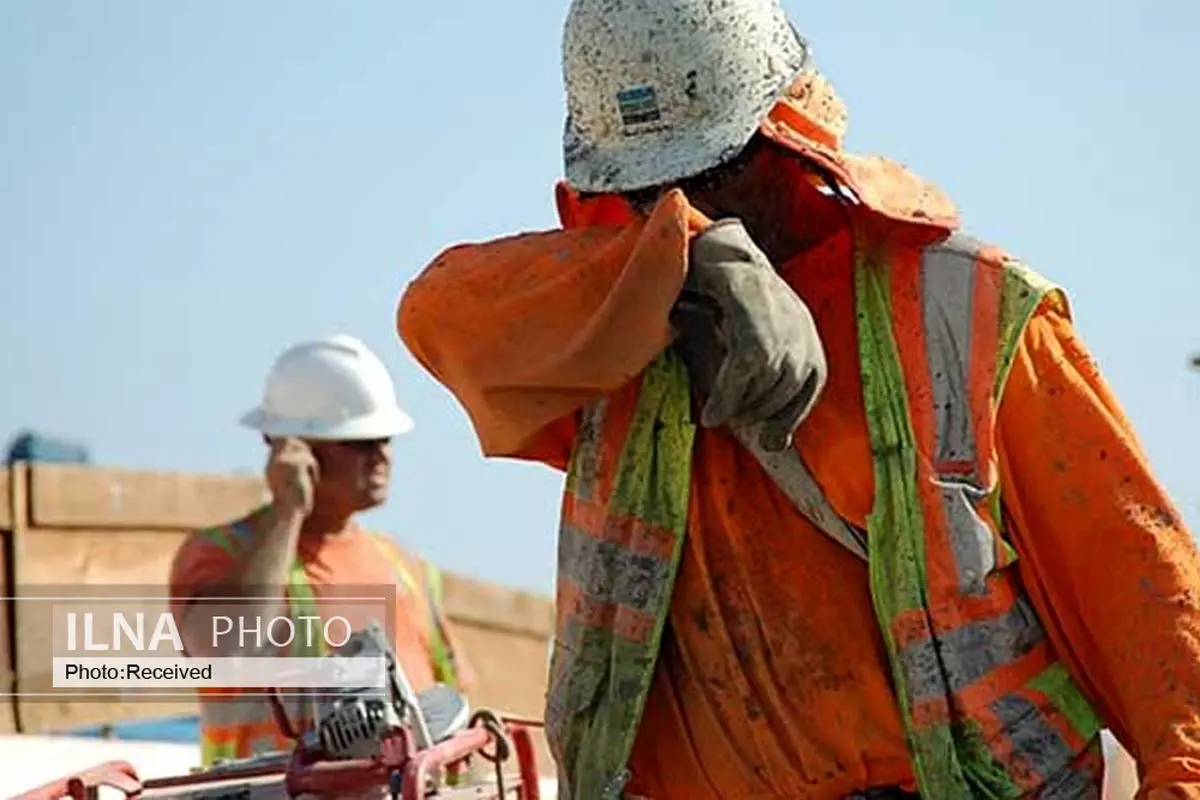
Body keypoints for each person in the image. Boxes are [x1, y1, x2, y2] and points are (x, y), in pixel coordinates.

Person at [394, 1, 1200, 798]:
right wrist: (679, 264)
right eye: (653, 193)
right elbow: (435, 314)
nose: (684, 207)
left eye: (709, 176)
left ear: (786, 137)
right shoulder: (619, 329)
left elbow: (1149, 608)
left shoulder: (968, 314)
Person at [169, 333, 474, 766]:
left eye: (384, 438)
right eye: (359, 442)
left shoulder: (407, 567)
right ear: (292, 449)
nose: (381, 455)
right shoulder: (220, 553)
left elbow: (450, 703)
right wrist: (288, 510)